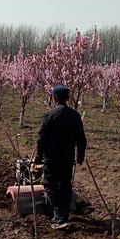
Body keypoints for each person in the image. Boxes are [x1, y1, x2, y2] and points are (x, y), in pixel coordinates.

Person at [35, 85, 87, 229]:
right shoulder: (75, 115)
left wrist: (39, 156)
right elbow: (81, 139)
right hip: (67, 159)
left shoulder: (49, 115)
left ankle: (59, 218)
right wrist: (80, 155)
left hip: (51, 159)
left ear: (55, 97)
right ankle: (63, 216)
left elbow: (41, 138)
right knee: (65, 186)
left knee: (49, 186)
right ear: (68, 98)